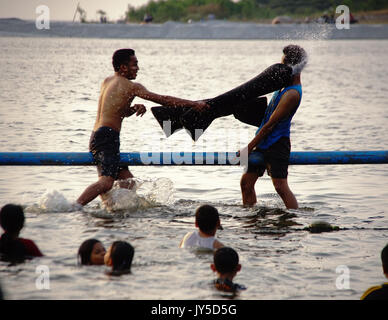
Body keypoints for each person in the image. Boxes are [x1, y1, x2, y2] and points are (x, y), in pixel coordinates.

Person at [76, 48, 208, 207]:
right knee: (106, 182)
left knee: (128, 181)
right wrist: (193, 104)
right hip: (107, 137)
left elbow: (116, 110)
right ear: (123, 67)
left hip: (98, 136)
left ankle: (112, 210)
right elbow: (163, 100)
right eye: (134, 64)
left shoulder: (107, 81)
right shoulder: (132, 86)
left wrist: (132, 110)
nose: (138, 68)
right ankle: (74, 207)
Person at [239, 44, 307, 209]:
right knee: (246, 183)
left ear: (292, 67)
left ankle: (293, 218)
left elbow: (270, 125)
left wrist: (248, 147)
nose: (280, 69)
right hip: (262, 142)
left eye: (283, 66)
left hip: (277, 144)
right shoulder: (282, 88)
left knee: (280, 187)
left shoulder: (292, 93)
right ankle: (251, 218)